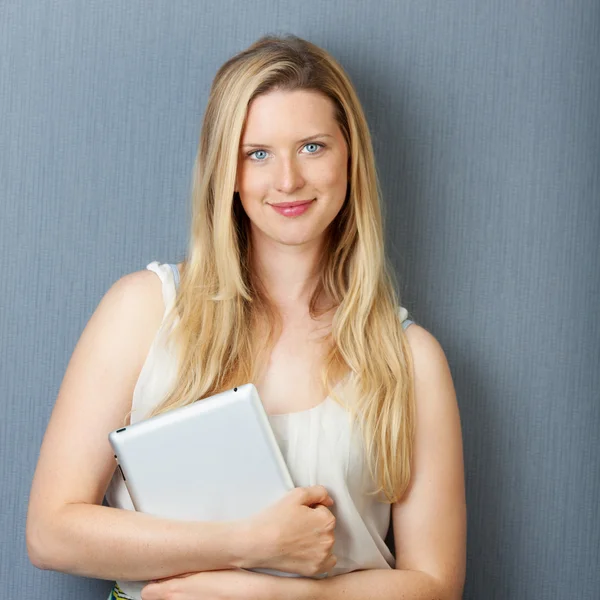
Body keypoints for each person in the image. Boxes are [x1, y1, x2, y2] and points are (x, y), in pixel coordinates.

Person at [26, 34, 466, 600]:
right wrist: (248, 542)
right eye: (257, 153)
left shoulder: (411, 360)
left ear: (350, 156)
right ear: (226, 173)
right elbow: (50, 532)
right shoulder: (143, 311)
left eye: (312, 147)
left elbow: (436, 585)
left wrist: (296, 594)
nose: (287, 180)